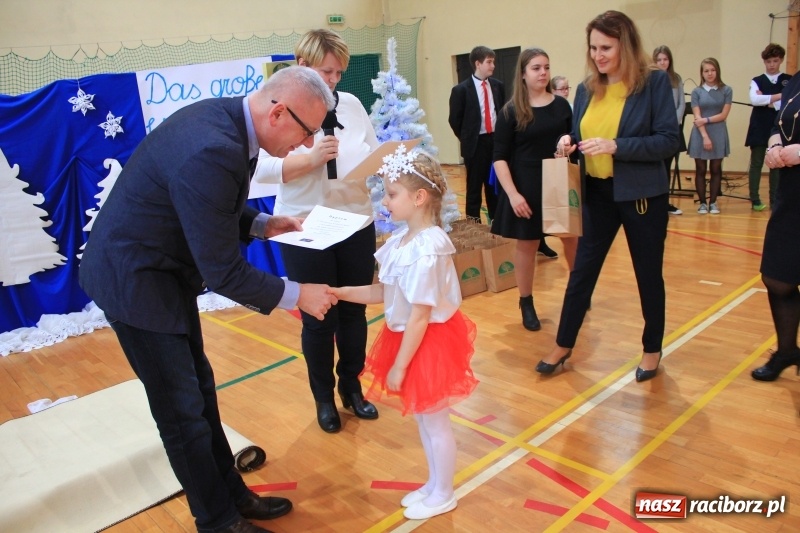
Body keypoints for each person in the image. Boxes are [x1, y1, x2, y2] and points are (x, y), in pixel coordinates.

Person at [80, 67, 337, 533]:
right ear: (279, 111)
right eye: (307, 131)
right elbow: (224, 272)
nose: (305, 145)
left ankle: (232, 497)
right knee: (183, 415)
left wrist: (260, 224)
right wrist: (298, 295)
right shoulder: (214, 144)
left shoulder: (227, 121)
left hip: (163, 275)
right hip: (135, 283)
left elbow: (202, 202)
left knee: (200, 396)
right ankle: (217, 521)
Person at [330, 147, 478, 520]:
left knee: (435, 420)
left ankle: (444, 491)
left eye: (391, 193)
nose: (385, 201)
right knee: (426, 421)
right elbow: (386, 292)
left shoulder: (428, 249)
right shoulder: (401, 243)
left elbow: (420, 315)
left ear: (419, 197)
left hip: (426, 342)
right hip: (410, 338)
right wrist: (344, 292)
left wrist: (399, 365)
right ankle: (434, 483)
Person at [251, 29, 380, 434]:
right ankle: (324, 398)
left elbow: (371, 149)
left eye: (340, 73)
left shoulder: (354, 105)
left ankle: (352, 387)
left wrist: (379, 167)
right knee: (319, 316)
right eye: (327, 71)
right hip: (304, 224)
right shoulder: (278, 105)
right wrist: (307, 162)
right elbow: (260, 168)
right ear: (302, 66)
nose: (334, 81)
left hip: (356, 218)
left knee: (355, 310)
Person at [538, 10, 679, 381]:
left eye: (606, 47)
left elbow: (668, 140)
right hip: (597, 194)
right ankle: (563, 343)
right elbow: (581, 134)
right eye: (593, 47)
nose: (598, 55)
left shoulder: (653, 83)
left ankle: (652, 349)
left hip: (641, 195)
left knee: (647, 275)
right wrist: (570, 143)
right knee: (581, 272)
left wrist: (617, 145)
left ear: (625, 45)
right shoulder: (586, 89)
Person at [490, 48, 577, 331]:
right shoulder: (511, 111)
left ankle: (578, 292)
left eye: (546, 67)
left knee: (570, 239)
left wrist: (568, 142)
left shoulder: (562, 106)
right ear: (524, 74)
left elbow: (573, 138)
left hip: (557, 182)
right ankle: (526, 301)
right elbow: (500, 157)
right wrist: (513, 195)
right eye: (536, 68)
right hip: (525, 185)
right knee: (527, 246)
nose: (543, 73)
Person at [752, 73, 800, 382]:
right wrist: (773, 146)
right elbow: (777, 124)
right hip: (792, 193)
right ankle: (787, 351)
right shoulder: (794, 82)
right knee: (776, 276)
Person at [448, 45, 505, 223]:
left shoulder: (497, 86)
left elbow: (501, 113)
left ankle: (497, 223)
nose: (493, 66)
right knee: (474, 188)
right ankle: (474, 225)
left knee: (494, 185)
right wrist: (468, 138)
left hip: (495, 141)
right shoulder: (461, 90)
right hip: (475, 144)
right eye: (489, 62)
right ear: (478, 63)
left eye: (493, 62)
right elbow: (454, 120)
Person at [746, 43, 791, 211]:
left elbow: (789, 102)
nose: (772, 64)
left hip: (780, 125)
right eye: (768, 61)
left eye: (775, 61)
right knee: (757, 162)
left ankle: (775, 200)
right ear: (764, 62)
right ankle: (755, 199)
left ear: (781, 61)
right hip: (759, 125)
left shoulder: (789, 80)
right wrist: (779, 97)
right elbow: (754, 100)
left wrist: (767, 99)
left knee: (777, 162)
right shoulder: (756, 80)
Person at [687, 58, 732, 215]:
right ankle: (702, 203)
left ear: (717, 70)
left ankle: (713, 202)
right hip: (700, 134)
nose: (710, 73)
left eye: (712, 70)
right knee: (700, 169)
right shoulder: (696, 92)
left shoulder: (726, 90)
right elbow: (697, 116)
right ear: (702, 73)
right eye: (706, 71)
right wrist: (705, 136)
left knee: (716, 168)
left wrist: (706, 120)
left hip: (718, 132)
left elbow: (724, 114)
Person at [653, 45, 686, 215]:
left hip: (673, 128)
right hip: (656, 130)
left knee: (667, 167)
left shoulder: (676, 78)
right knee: (657, 167)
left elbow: (681, 104)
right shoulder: (650, 78)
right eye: (659, 60)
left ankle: (665, 202)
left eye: (665, 59)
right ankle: (656, 202)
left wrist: (673, 122)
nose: (662, 62)